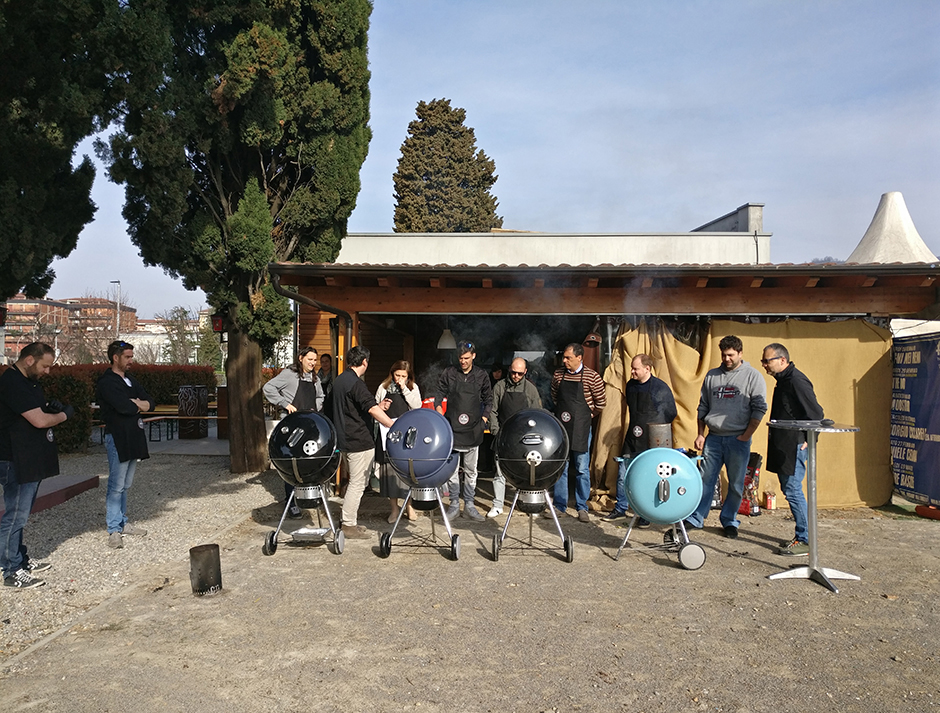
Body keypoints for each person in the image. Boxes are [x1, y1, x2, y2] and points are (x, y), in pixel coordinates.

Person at [0, 343, 73, 589]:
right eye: (45, 366)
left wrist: (49, 408)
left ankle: (19, 558)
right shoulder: (12, 382)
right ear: (30, 360)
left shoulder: (28, 382)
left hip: (28, 457)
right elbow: (39, 421)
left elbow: (34, 412)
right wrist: (64, 415)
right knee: (15, 516)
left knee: (21, 514)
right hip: (14, 459)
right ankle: (11, 570)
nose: (47, 372)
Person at [685, 335, 767, 539]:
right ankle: (696, 518)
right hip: (713, 439)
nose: (727, 359)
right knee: (705, 480)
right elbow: (703, 406)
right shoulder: (712, 376)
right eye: (723, 355)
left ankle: (729, 520)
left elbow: (759, 409)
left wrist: (746, 436)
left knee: (736, 484)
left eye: (731, 355)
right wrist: (700, 434)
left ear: (740, 353)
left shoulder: (753, 376)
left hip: (738, 439)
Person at [762, 342, 824, 557]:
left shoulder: (796, 380)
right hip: (785, 443)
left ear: (782, 360)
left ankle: (805, 540)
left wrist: (809, 438)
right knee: (790, 489)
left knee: (793, 489)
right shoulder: (784, 380)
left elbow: (816, 414)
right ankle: (803, 536)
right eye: (763, 361)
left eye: (767, 361)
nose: (764, 365)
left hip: (794, 444)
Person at [602, 353, 677, 527]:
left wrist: (655, 431)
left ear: (647, 369)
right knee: (623, 473)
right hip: (632, 436)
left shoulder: (660, 388)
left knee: (649, 476)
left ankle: (646, 513)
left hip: (651, 439)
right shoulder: (630, 386)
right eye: (632, 368)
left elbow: (670, 413)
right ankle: (621, 508)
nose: (632, 372)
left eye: (635, 369)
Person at [330, 345, 396, 539]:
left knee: (355, 482)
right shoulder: (356, 384)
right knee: (357, 484)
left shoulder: (340, 380)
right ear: (365, 362)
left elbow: (355, 407)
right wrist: (392, 424)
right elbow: (371, 409)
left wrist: (379, 406)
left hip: (343, 440)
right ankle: (348, 525)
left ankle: (349, 520)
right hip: (358, 440)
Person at [97, 340, 155, 549]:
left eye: (131, 357)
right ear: (116, 358)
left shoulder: (131, 380)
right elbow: (123, 407)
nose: (131, 360)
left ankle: (122, 521)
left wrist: (137, 403)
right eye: (127, 357)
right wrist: (137, 404)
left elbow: (151, 403)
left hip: (134, 436)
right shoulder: (107, 382)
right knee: (116, 484)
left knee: (126, 484)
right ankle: (113, 528)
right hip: (118, 437)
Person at [263, 346, 326, 518]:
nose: (313, 363)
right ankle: (291, 502)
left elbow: (320, 396)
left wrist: (315, 408)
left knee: (310, 462)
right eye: (310, 359)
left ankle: (309, 498)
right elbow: (268, 388)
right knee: (293, 464)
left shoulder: (314, 378)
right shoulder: (289, 374)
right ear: (301, 358)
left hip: (310, 423)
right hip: (292, 425)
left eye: (315, 360)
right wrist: (285, 404)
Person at [436, 341, 492, 521]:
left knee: (471, 471)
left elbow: (489, 400)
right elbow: (439, 394)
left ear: (473, 356)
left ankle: (469, 505)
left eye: (467, 358)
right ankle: (454, 504)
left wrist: (484, 420)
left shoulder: (481, 375)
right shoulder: (450, 373)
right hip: (452, 429)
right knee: (452, 471)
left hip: (473, 430)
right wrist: (439, 412)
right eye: (461, 358)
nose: (463, 361)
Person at [551, 343, 606, 522]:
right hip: (562, 427)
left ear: (579, 358)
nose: (564, 361)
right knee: (561, 466)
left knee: (582, 468)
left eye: (568, 358)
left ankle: (582, 507)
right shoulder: (558, 375)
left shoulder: (592, 377)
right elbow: (554, 396)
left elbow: (601, 402)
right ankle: (559, 505)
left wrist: (588, 414)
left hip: (582, 428)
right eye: (564, 357)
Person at [487, 357, 542, 517]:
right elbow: (492, 410)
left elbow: (537, 414)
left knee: (526, 473)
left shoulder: (531, 389)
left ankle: (527, 504)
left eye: (519, 373)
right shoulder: (500, 386)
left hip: (524, 440)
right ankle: (497, 505)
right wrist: (496, 430)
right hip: (503, 436)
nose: (516, 376)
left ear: (525, 372)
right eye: (513, 372)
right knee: (499, 473)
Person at [375, 360, 422, 523]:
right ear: (392, 373)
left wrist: (404, 389)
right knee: (390, 472)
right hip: (388, 433)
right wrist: (381, 406)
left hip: (407, 434)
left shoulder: (413, 388)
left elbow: (417, 406)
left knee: (407, 470)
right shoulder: (383, 387)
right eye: (397, 375)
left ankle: (409, 505)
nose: (399, 378)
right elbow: (375, 408)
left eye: (403, 376)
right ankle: (394, 509)